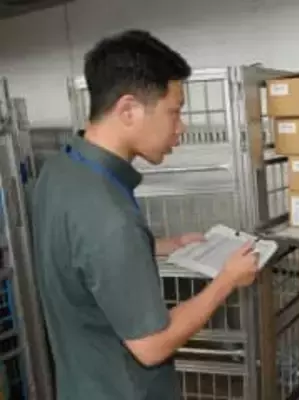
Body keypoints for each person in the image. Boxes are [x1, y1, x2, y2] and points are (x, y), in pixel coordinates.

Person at [31, 30, 259, 400]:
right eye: (174, 111)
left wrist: (165, 245)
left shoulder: (60, 171)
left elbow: (82, 256)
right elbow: (152, 346)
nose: (181, 127)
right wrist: (227, 280)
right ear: (128, 110)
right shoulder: (110, 216)